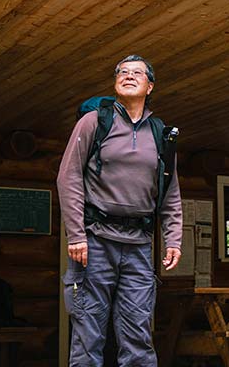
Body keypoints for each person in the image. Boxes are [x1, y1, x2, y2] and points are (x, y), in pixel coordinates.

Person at [57, 55, 182, 366]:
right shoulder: (94, 122)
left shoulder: (160, 134)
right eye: (122, 72)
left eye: (137, 72)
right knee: (88, 332)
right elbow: (68, 175)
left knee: (138, 332)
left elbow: (170, 191)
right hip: (95, 243)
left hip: (139, 246)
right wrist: (75, 235)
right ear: (115, 83)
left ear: (150, 86)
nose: (129, 75)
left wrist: (174, 239)